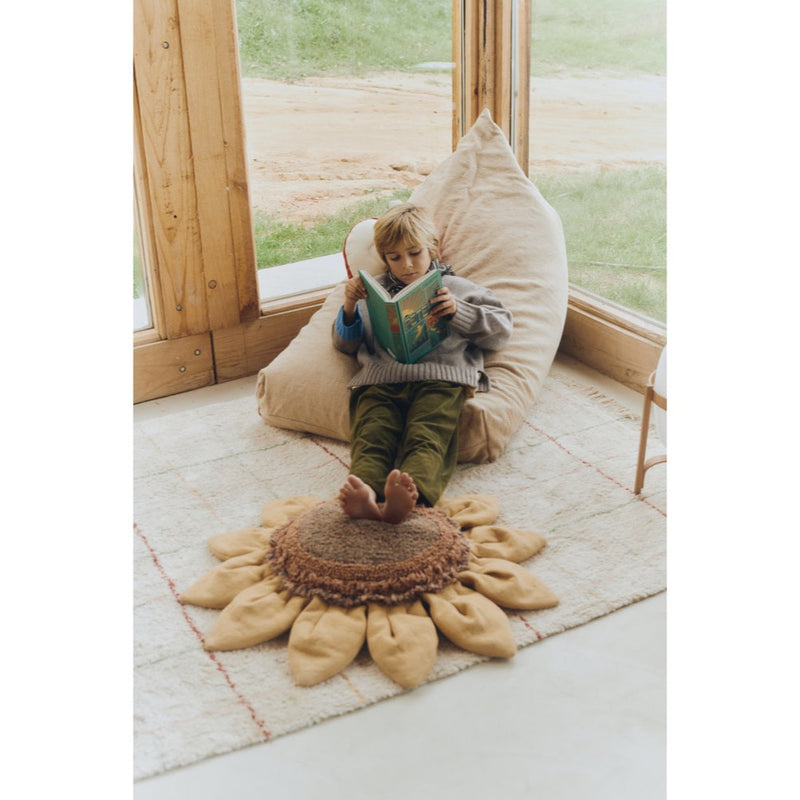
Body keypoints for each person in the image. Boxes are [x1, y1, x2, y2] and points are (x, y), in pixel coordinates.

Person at [332, 203, 513, 524]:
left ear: (433, 249)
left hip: (440, 378)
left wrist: (460, 312)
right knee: (371, 433)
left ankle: (410, 496)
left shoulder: (458, 288)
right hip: (380, 379)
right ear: (384, 258)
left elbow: (501, 331)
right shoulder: (374, 291)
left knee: (428, 434)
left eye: (415, 253)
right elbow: (344, 345)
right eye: (395, 257)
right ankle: (367, 493)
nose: (407, 265)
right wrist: (349, 305)